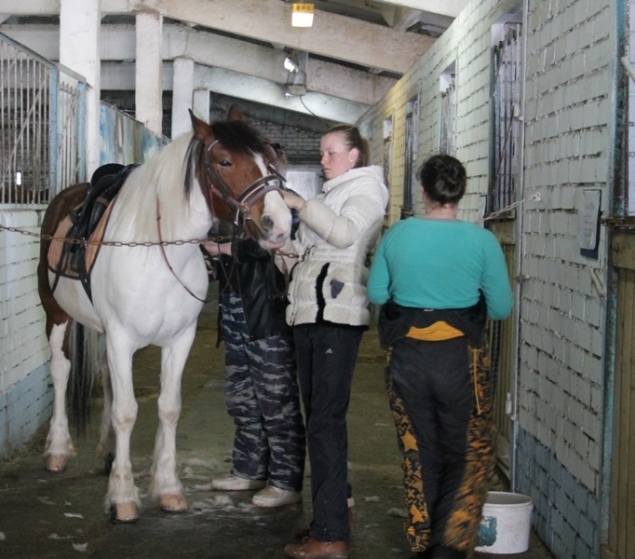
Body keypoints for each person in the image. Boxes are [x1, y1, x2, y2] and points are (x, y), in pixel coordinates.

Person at [366, 154, 513, 559]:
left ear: (424, 191)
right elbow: (501, 308)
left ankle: (423, 541)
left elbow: (378, 295)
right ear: (460, 192)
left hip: (407, 360)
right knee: (466, 451)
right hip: (460, 362)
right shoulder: (482, 240)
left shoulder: (397, 235)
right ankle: (449, 547)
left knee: (420, 450)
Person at [273, 124, 389, 559]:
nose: (323, 160)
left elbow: (344, 236)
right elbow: (304, 254)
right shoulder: (329, 195)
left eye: (330, 153)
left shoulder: (366, 191)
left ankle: (330, 534)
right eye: (322, 154)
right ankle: (335, 513)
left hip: (334, 316)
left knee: (324, 422)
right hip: (310, 313)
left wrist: (302, 203)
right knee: (319, 420)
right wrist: (274, 243)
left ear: (355, 156)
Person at [202, 236, 306, 508]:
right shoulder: (228, 215)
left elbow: (271, 243)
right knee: (242, 401)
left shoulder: (273, 206)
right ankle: (250, 469)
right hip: (234, 314)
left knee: (277, 404)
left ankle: (286, 482)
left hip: (266, 319)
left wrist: (222, 248)